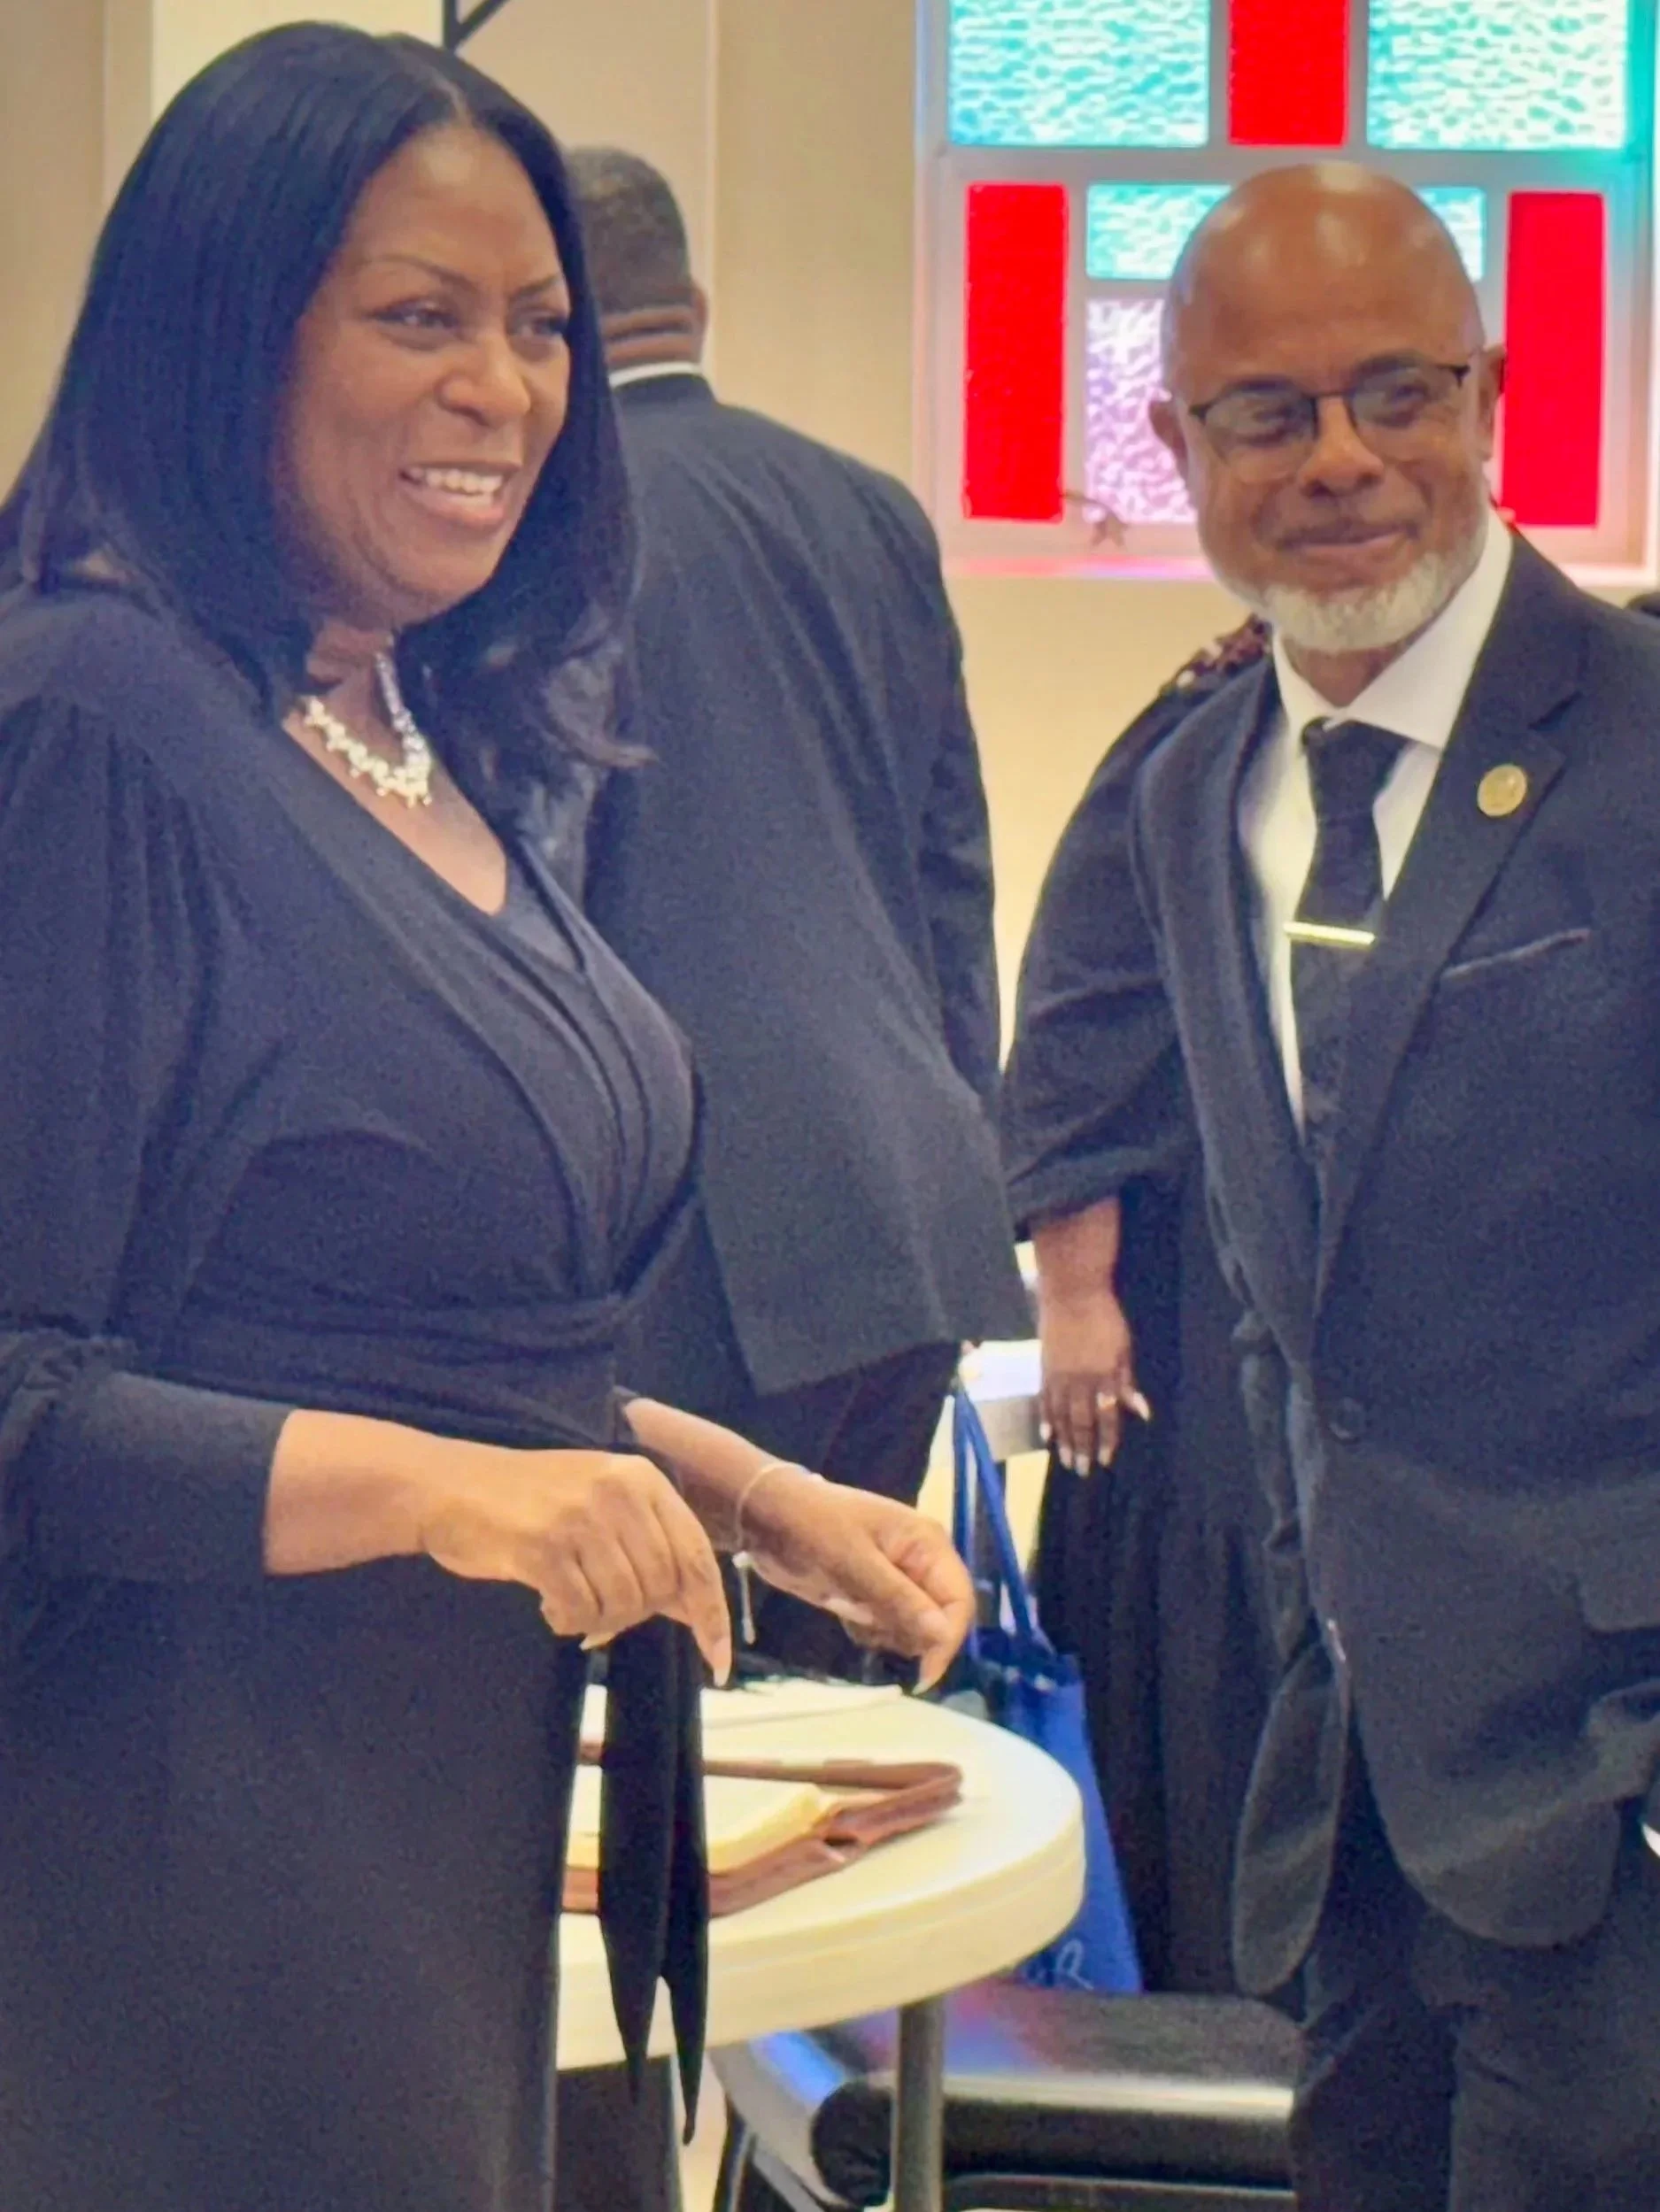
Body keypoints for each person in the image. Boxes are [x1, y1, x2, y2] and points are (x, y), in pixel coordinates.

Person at [0, 27, 974, 2210]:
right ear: (224, 334)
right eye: (419, 316)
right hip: (185, 1870)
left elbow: (401, 1317)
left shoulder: (398, 722)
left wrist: (734, 1491)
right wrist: (465, 1501)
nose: (505, 389)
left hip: (434, 1821)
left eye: (536, 326)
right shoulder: (90, 729)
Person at [1131, 161, 1660, 2208]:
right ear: (1176, 445)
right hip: (1352, 1810)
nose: (1339, 458)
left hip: (1609, 1811)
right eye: (1266, 412)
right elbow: (1297, 1305)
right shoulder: (1196, 791)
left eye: (1394, 393)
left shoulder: (1636, 745)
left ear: (1490, 396)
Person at [565, 147, 1029, 1682]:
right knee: (840, 1721)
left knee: (670, 1746)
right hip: (908, 1202)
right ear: (694, 302)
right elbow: (949, 866)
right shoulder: (869, 509)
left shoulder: (556, 519)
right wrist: (970, 1132)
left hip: (690, 1234)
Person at [1002, 619, 1277, 1993]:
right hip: (1181, 1305)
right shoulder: (1203, 729)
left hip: (1309, 1300)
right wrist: (1076, 1293)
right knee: (1198, 1658)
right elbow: (1081, 1017)